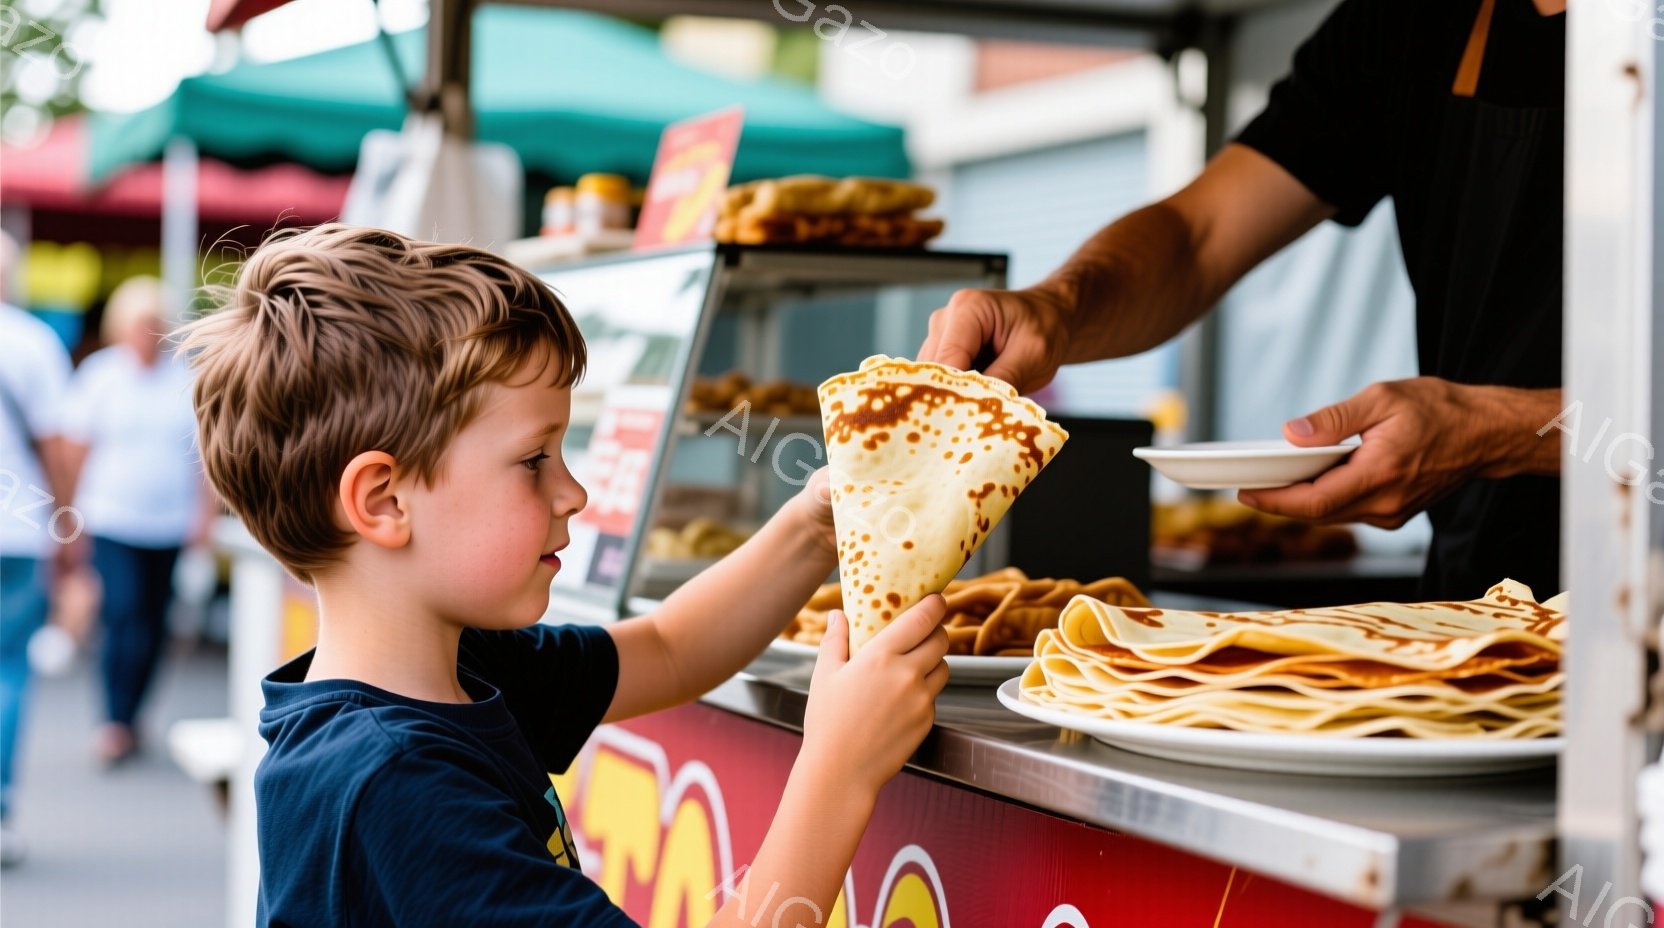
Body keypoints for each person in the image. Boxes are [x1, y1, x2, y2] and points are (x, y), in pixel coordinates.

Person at [179, 223, 951, 926]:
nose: (573, 493)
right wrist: (840, 768)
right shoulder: (393, 782)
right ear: (383, 500)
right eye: (533, 460)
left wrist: (820, 520)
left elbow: (672, 647)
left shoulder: (457, 667)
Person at [920, 0, 1566, 602]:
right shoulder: (1408, 19)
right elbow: (1197, 238)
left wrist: (1501, 430)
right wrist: (1056, 308)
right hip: (1476, 613)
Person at [60, 276, 210, 765]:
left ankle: (133, 713)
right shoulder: (101, 375)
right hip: (113, 517)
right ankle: (114, 718)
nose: (146, 335)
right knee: (122, 613)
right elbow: (75, 452)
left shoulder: (185, 378)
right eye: (138, 325)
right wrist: (69, 518)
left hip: (168, 522)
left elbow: (203, 461)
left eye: (154, 325)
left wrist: (203, 520)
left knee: (153, 623)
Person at [0, 231, 73, 867]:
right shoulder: (31, 343)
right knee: (8, 669)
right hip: (18, 530)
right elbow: (55, 446)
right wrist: (67, 520)